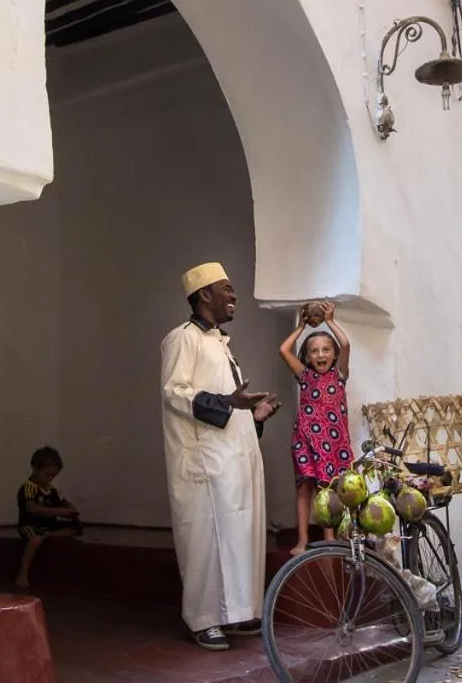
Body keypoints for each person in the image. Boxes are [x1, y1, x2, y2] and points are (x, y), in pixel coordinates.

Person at [160, 262, 281, 651]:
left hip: (233, 461)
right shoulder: (182, 339)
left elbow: (230, 406)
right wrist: (228, 402)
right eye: (226, 289)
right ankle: (204, 619)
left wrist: (253, 415)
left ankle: (235, 613)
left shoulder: (222, 343)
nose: (234, 296)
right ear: (204, 295)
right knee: (206, 541)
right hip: (205, 465)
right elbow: (174, 393)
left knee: (236, 536)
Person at [279, 302, 353, 556]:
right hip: (306, 440)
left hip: (333, 443)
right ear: (307, 357)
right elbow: (284, 349)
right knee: (304, 489)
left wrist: (330, 321)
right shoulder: (304, 375)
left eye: (325, 350)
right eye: (314, 351)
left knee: (329, 489)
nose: (320, 355)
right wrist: (301, 325)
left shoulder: (339, 374)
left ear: (333, 354)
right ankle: (302, 541)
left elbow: (345, 344)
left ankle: (330, 539)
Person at [15, 446, 83, 589]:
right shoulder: (29, 487)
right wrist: (58, 511)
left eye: (54, 476)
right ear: (35, 469)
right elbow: (31, 508)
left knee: (75, 527)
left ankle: (49, 534)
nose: (51, 478)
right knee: (35, 539)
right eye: (48, 474)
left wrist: (70, 509)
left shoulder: (52, 489)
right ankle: (22, 574)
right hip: (31, 524)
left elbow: (64, 502)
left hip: (48, 524)